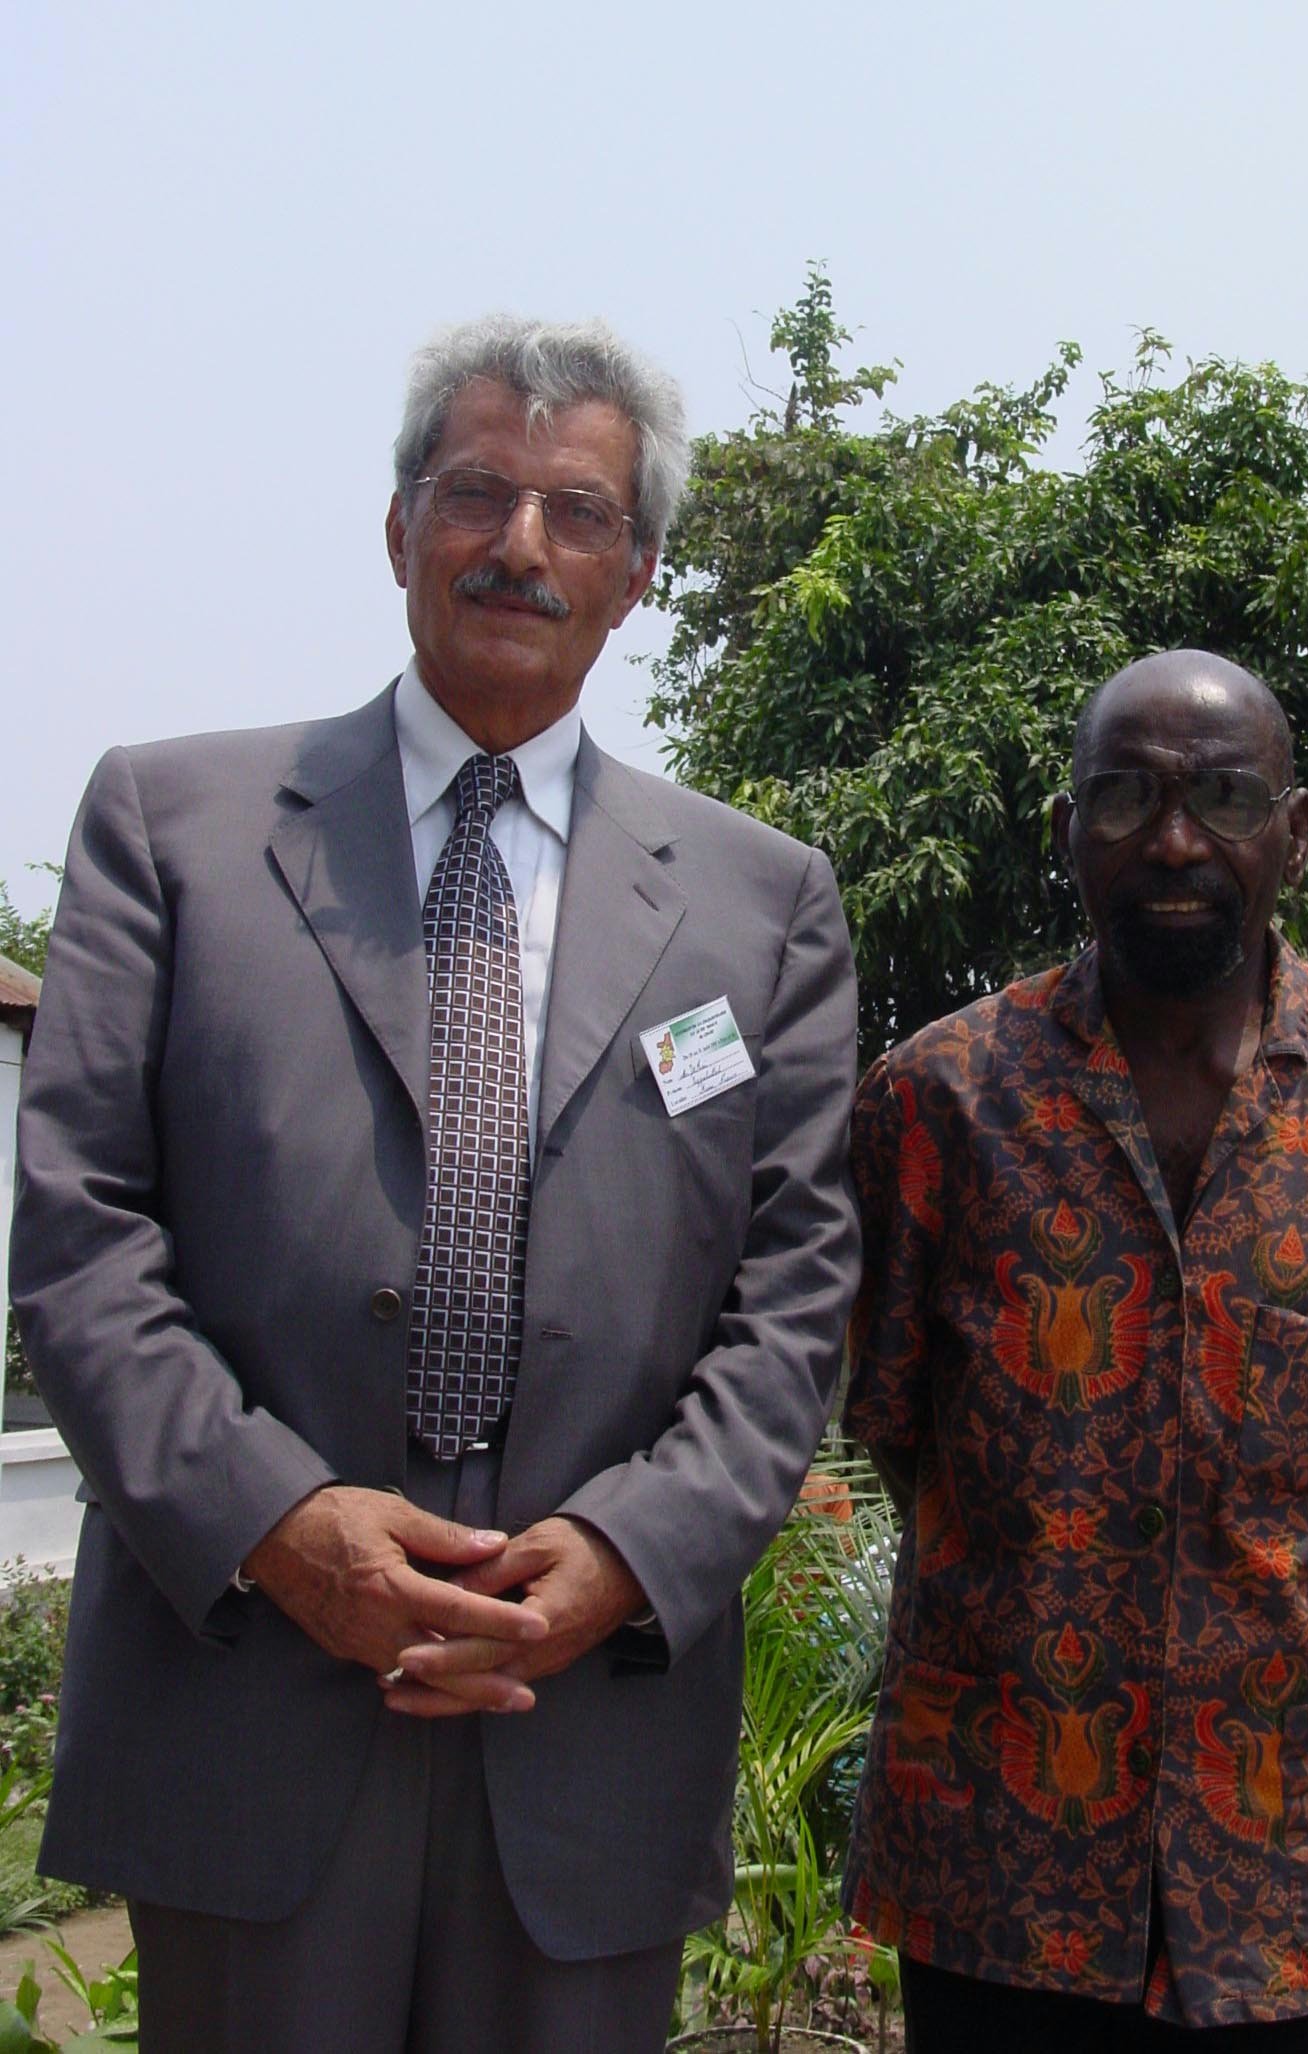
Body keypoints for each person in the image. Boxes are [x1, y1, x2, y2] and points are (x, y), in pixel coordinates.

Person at [10, 316, 860, 2054]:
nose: (519, 545)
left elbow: (793, 1296)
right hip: (245, 1678)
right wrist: (274, 1522)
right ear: (398, 527)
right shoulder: (176, 828)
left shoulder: (760, 907)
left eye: (575, 510)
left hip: (587, 1714)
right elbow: (79, 1233)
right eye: (474, 490)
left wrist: (631, 1547)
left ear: (637, 570)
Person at [841, 650, 1308, 2051]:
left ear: (1294, 833)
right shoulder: (936, 1098)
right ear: (1063, 831)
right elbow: (897, 1421)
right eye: (1124, 796)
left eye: (1222, 795)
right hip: (995, 1850)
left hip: (1301, 1857)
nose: (1172, 839)